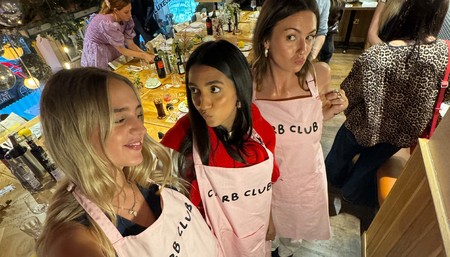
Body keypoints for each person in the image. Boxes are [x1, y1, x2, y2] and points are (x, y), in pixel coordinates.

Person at [35, 67, 219, 257]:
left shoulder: (144, 176)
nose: (141, 129)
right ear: (75, 133)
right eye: (121, 119)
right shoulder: (74, 240)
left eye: (138, 115)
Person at [326, 0, 450, 208]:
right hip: (401, 133)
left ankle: (333, 182)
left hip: (361, 125)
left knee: (339, 156)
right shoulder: (446, 57)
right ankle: (351, 193)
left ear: (404, 11)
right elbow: (445, 96)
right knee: (369, 165)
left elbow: (350, 93)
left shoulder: (377, 56)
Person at [160, 40, 279, 257]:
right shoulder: (183, 135)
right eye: (194, 90)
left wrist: (268, 217)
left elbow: (266, 181)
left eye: (214, 89)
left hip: (253, 228)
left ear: (240, 88)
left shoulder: (261, 128)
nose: (202, 103)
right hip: (209, 242)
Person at [251, 0, 348, 256]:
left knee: (291, 241)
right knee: (265, 239)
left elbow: (305, 124)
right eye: (292, 37)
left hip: (304, 182)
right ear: (266, 39)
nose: (303, 49)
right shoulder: (246, 85)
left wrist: (327, 111)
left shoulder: (319, 75)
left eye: (310, 36)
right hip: (267, 188)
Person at [81, 0, 154, 70]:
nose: (130, 15)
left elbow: (130, 44)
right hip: (98, 51)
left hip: (112, 46)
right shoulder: (107, 23)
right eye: (126, 12)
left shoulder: (125, 18)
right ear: (116, 11)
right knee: (104, 76)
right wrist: (143, 55)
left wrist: (145, 55)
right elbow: (122, 50)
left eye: (130, 10)